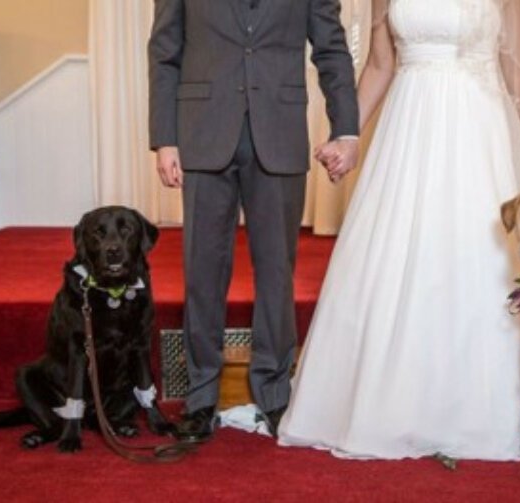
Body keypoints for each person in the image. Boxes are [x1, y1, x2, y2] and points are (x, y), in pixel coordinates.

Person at [278, 0, 520, 460]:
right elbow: (380, 65)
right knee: (391, 264)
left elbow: (517, 63)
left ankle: (466, 414)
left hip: (472, 130)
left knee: (472, 265)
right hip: (407, 132)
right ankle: (386, 407)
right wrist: (347, 135)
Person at [148, 0, 360, 442]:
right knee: (203, 272)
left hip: (279, 132)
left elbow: (332, 48)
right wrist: (165, 138)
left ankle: (275, 392)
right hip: (203, 132)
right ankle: (201, 397)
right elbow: (164, 51)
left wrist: (346, 127)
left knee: (277, 273)